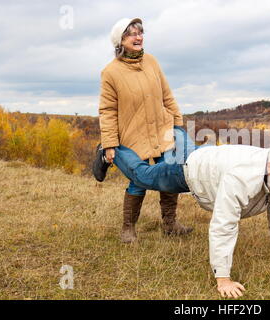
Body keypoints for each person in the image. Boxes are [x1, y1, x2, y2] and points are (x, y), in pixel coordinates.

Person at [110, 127, 270, 298]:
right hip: (187, 170)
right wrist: (223, 279)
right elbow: (224, 225)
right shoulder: (240, 178)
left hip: (209, 155)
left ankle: (175, 126)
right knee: (142, 175)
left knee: (185, 144)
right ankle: (110, 149)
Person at [93, 17, 192, 243]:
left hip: (162, 130)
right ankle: (128, 229)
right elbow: (107, 110)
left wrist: (177, 123)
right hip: (132, 136)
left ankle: (170, 224)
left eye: (140, 33)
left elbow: (167, 95)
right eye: (131, 34)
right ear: (120, 41)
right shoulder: (110, 72)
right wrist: (109, 143)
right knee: (139, 180)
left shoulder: (152, 62)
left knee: (170, 172)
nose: (138, 37)